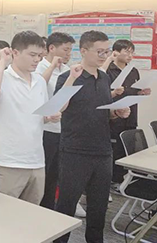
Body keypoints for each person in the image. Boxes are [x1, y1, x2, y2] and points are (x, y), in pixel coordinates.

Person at [54, 31, 131, 243]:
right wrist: (72, 78)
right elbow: (59, 107)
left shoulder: (104, 77)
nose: (104, 56)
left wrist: (117, 112)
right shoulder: (67, 77)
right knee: (66, 206)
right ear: (84, 51)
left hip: (103, 151)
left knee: (98, 208)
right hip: (75, 152)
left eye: (106, 51)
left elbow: (103, 111)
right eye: (99, 52)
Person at [0, 31, 61, 205]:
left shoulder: (39, 81)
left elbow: (39, 117)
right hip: (9, 161)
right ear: (15, 52)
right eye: (32, 55)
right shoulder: (2, 76)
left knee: (31, 214)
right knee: (3, 213)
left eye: (39, 55)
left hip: (36, 160)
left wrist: (49, 117)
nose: (37, 60)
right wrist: (2, 62)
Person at [34, 32, 77, 211]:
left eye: (70, 50)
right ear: (51, 48)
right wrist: (52, 66)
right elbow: (37, 87)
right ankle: (38, 209)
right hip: (45, 129)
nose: (69, 54)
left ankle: (49, 209)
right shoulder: (39, 67)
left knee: (56, 175)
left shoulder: (67, 70)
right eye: (65, 49)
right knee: (44, 174)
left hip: (62, 128)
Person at [103, 39, 151, 185]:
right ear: (116, 52)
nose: (130, 56)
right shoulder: (108, 70)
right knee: (115, 149)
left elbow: (134, 91)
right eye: (127, 52)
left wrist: (142, 92)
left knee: (127, 149)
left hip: (131, 115)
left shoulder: (133, 70)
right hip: (114, 117)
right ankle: (112, 181)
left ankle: (123, 180)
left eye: (132, 52)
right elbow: (101, 94)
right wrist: (114, 93)